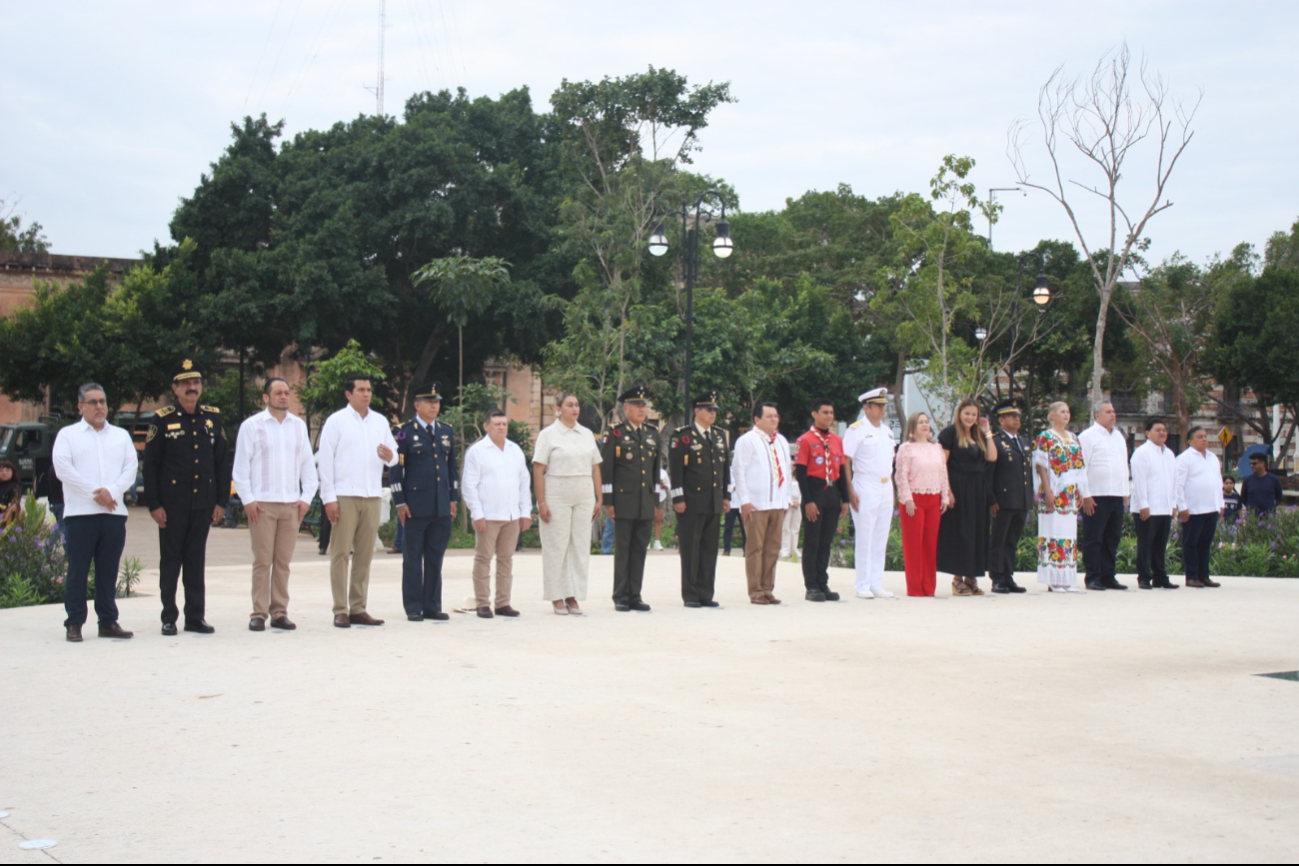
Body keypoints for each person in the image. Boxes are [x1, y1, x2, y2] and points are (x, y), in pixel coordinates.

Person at [143, 359, 229, 635]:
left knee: (196, 561)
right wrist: (154, 504)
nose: (192, 388)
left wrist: (221, 502)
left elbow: (221, 463)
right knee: (170, 562)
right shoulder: (163, 419)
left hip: (202, 504)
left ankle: (195, 616)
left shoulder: (212, 418)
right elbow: (151, 465)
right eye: (186, 383)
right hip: (172, 505)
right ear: (175, 388)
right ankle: (169, 616)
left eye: (196, 382)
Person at [52, 383, 137, 642]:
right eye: (93, 402)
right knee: (78, 570)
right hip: (80, 515)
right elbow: (63, 469)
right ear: (80, 406)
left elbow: (131, 469)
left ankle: (108, 621)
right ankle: (75, 622)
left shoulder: (120, 436)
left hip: (113, 514)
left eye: (102, 401)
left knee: (108, 571)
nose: (99, 406)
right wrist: (96, 492)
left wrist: (111, 491)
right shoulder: (68, 435)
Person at [232, 378, 318, 632]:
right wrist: (247, 500)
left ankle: (279, 611)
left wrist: (306, 498)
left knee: (283, 561)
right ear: (265, 398)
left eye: (287, 393)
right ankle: (258, 612)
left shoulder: (298, 426)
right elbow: (240, 468)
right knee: (262, 560)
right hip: (263, 504)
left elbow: (306, 465)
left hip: (291, 504)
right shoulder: (252, 426)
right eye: (278, 393)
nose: (284, 397)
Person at [317, 373, 398, 628]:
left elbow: (394, 456)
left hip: (372, 494)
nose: (366, 394)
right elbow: (325, 462)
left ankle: (358, 607)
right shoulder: (336, 422)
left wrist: (390, 456)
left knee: (364, 554)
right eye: (361, 390)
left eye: (369, 390)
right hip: (344, 494)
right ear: (348, 394)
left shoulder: (380, 422)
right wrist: (329, 498)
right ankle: (340, 608)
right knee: (340, 553)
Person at [388, 383, 459, 622]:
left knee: (435, 558)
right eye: (429, 402)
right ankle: (413, 606)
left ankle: (432, 605)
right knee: (412, 559)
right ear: (417, 405)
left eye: (437, 402)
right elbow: (396, 469)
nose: (434, 406)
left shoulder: (446, 431)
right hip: (415, 506)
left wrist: (453, 498)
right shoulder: (404, 432)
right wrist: (400, 501)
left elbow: (452, 469)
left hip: (440, 505)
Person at [534, 392, 602, 616]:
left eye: (577, 405)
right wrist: (541, 502)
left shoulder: (586, 434)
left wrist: (599, 497)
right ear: (559, 409)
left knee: (580, 545)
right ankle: (556, 595)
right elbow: (539, 469)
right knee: (557, 545)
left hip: (583, 491)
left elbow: (595, 467)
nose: (574, 409)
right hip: (557, 491)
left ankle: (573, 594)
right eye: (569, 405)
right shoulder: (548, 434)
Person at [463, 409, 532, 618]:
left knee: (506, 560)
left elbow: (524, 482)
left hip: (511, 516)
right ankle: (483, 602)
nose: (501, 427)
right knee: (483, 559)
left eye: (504, 424)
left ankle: (503, 602)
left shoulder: (515, 450)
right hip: (488, 515)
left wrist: (525, 511)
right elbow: (469, 485)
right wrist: (477, 513)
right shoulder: (477, 451)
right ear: (486, 426)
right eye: (497, 424)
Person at [669, 391, 731, 609]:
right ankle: (691, 593)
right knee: (691, 549)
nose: (713, 413)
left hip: (713, 500)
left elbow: (724, 468)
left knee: (709, 548)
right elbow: (675, 471)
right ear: (697, 411)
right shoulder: (682, 436)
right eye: (708, 409)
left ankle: (706, 592)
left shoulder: (720, 435)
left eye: (715, 410)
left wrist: (726, 496)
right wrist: (678, 498)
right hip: (691, 501)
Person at [599, 385, 659, 612]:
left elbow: (654, 472)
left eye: (644, 405)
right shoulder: (615, 433)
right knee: (623, 548)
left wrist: (654, 501)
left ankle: (635, 594)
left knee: (639, 549)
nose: (642, 409)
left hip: (645, 501)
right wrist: (608, 501)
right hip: (623, 501)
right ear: (626, 408)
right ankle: (621, 595)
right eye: (637, 405)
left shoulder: (651, 433)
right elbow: (608, 470)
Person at [732, 402, 793, 605]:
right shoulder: (747, 440)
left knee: (773, 548)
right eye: (769, 416)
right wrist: (744, 501)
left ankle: (768, 588)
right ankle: (755, 590)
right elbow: (739, 470)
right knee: (755, 548)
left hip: (777, 502)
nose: (774, 419)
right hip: (756, 504)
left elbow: (785, 470)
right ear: (757, 419)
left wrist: (786, 499)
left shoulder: (781, 441)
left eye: (776, 416)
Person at [937, 398, 997, 596]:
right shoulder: (950, 433)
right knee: (961, 532)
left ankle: (971, 577)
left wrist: (987, 431)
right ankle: (957, 579)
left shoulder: (979, 434)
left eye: (974, 414)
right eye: (967, 413)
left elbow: (992, 457)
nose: (970, 417)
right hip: (959, 487)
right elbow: (942, 464)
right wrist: (948, 491)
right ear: (959, 413)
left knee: (978, 532)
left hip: (978, 488)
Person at [843, 388, 896, 599]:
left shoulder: (887, 431)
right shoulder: (856, 430)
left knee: (881, 536)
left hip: (885, 485)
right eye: (879, 405)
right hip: (865, 484)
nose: (883, 409)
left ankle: (876, 583)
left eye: (884, 405)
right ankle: (862, 584)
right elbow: (846, 459)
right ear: (867, 408)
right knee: (865, 535)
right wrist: (849, 489)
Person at [793, 398, 849, 602]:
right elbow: (800, 472)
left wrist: (845, 499)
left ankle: (823, 582)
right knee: (813, 540)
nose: (829, 416)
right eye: (825, 412)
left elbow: (841, 471)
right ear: (814, 414)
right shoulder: (805, 440)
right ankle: (812, 586)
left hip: (832, 492)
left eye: (831, 413)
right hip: (814, 490)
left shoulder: (836, 440)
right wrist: (808, 501)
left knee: (826, 541)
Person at [894, 411, 951, 597]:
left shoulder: (937, 448)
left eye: (926, 422)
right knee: (914, 545)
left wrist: (944, 497)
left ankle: (928, 587)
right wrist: (907, 498)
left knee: (930, 544)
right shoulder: (906, 448)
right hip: (914, 500)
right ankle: (915, 588)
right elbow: (901, 475)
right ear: (913, 427)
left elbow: (943, 473)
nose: (925, 425)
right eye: (920, 422)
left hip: (933, 499)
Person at [1033, 401, 1088, 593]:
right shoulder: (1045, 437)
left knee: (1068, 534)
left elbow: (1079, 466)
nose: (1066, 414)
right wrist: (1047, 490)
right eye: (1062, 411)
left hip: (1069, 493)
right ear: (1052, 415)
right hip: (1053, 491)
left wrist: (1081, 490)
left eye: (1068, 411)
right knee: (1053, 530)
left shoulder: (1073, 437)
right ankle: (1053, 580)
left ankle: (1065, 579)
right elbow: (1041, 465)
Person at [1078, 401, 1131, 591]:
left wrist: (1125, 493)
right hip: (1096, 495)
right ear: (1097, 415)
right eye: (1108, 411)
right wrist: (1085, 494)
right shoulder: (1087, 437)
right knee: (1094, 538)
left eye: (1113, 411)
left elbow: (1123, 465)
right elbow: (1081, 467)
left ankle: (1108, 576)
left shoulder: (1119, 436)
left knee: (1112, 537)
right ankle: (1093, 576)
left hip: (1116, 494)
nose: (1112, 414)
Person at [1129, 417, 1179, 590]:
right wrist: (1143, 504)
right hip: (1147, 508)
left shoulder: (1170, 454)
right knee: (1145, 545)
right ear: (1148, 433)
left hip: (1164, 508)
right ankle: (1144, 577)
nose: (1162, 433)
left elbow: (1174, 481)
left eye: (1164, 430)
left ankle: (1160, 576)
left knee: (1160, 545)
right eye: (1158, 430)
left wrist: (1173, 504)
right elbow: (1139, 480)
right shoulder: (1142, 453)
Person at [988, 400, 1032, 593]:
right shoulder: (997, 441)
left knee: (1012, 540)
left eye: (1018, 416)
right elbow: (989, 474)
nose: (1016, 419)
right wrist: (991, 499)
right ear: (1001, 420)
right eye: (1011, 416)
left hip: (1020, 499)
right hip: (1003, 500)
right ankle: (997, 577)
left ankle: (1008, 576)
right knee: (999, 540)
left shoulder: (1022, 442)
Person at [1175, 427, 1225, 589]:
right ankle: (1192, 576)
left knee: (1205, 544)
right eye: (1199, 437)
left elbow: (1218, 482)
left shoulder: (1212, 458)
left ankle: (1204, 576)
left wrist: (1220, 503)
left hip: (1211, 508)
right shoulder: (1185, 458)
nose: (1204, 439)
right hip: (1193, 509)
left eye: (1205, 436)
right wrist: (1182, 507)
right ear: (1190, 441)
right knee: (1191, 543)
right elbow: (1178, 484)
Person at [779, 482, 802, 562]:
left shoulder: (799, 479)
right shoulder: (786, 478)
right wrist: (790, 502)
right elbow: (783, 491)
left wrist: (799, 502)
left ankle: (794, 549)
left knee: (795, 528)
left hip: (797, 505)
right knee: (786, 528)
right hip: (788, 504)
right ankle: (785, 549)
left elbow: (801, 492)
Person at [0, 459, 19, 528]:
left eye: (7, 470)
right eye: (1, 470)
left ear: (13, 472)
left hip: (7, 520)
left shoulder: (15, 486)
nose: (4, 473)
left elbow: (14, 505)